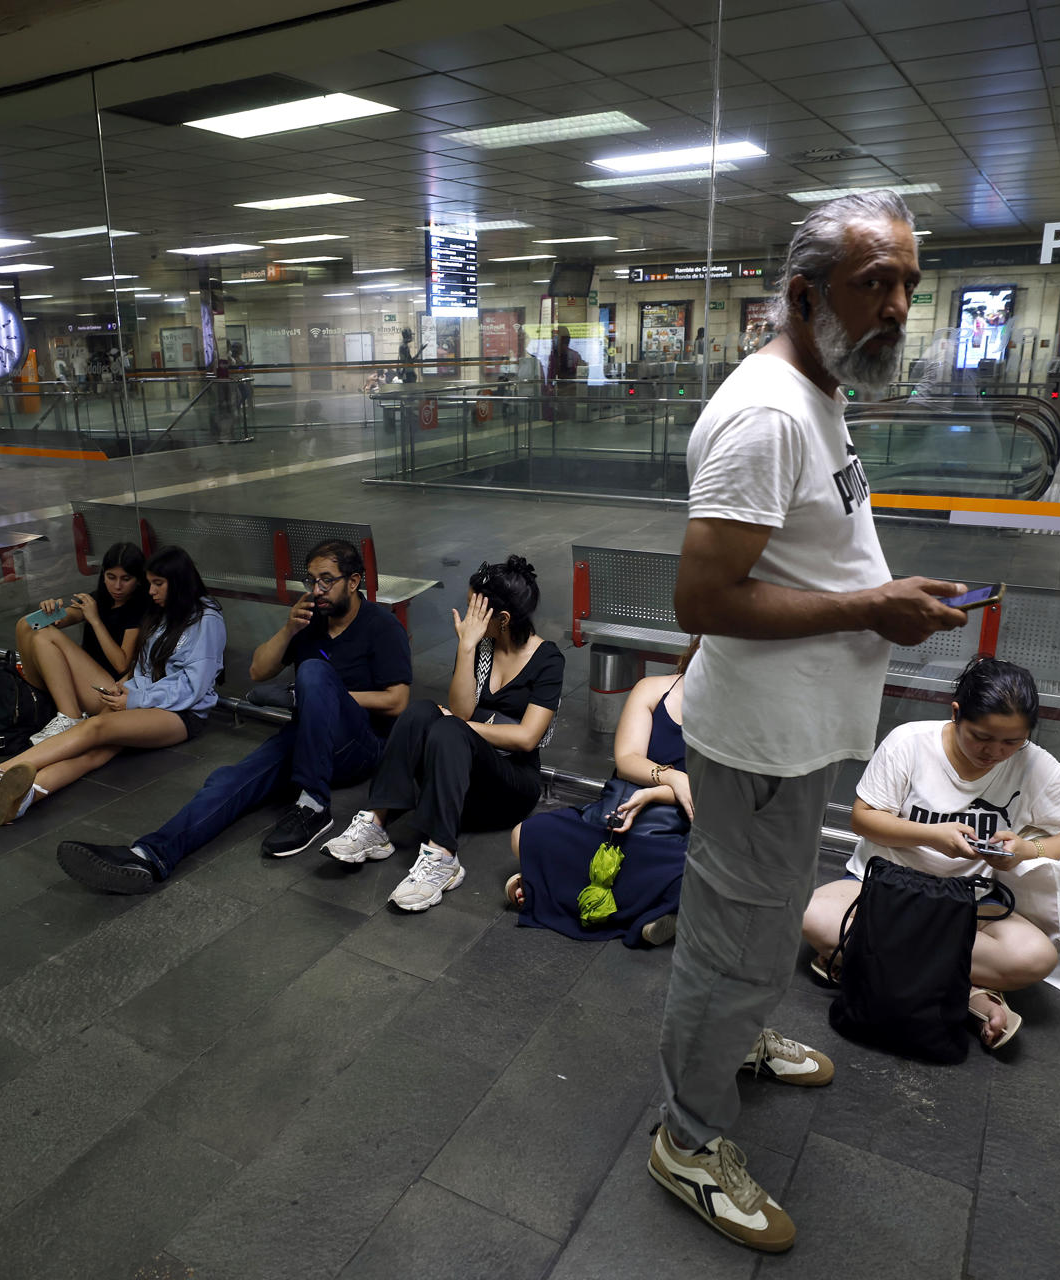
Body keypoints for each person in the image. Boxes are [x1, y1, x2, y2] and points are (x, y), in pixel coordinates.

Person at [646, 189, 972, 1256]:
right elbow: (703, 600)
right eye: (876, 281)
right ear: (804, 292)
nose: (899, 304)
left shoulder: (819, 391)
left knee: (766, 912)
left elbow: (801, 557)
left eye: (909, 284)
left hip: (793, 735)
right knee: (733, 932)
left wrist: (876, 591)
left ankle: (736, 1033)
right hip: (754, 745)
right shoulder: (769, 414)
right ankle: (689, 1137)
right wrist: (870, 607)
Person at [55, 538, 413, 893]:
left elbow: (397, 701)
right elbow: (258, 671)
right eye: (311, 580)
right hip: (307, 736)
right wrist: (289, 629)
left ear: (353, 582)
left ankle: (314, 804)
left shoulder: (380, 625)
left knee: (314, 674)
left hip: (359, 744)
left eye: (326, 580)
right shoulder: (310, 620)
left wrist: (326, 697)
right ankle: (148, 855)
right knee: (227, 782)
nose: (317, 589)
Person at [803, 658, 1060, 1050]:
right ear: (956, 714)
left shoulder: (1034, 763)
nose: (995, 752)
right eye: (981, 736)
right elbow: (864, 820)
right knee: (813, 917)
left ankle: (868, 963)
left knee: (1036, 958)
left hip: (969, 904)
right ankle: (970, 993)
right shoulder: (910, 742)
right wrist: (931, 836)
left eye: (1011, 741)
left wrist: (1025, 850)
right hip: (884, 892)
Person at [322, 555, 562, 913]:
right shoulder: (480, 645)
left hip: (509, 787)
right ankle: (375, 824)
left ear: (504, 619)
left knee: (448, 724)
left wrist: (460, 726)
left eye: (474, 610)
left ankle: (443, 858)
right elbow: (461, 709)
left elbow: (526, 737)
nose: (467, 619)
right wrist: (466, 647)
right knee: (421, 709)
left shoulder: (547, 660)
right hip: (459, 784)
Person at [0, 546, 224, 826]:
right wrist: (124, 686)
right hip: (139, 697)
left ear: (178, 582)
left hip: (181, 713)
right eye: (150, 583)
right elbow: (143, 665)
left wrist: (134, 699)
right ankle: (26, 796)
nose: (151, 591)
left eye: (158, 584)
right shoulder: (162, 611)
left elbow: (193, 688)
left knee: (95, 728)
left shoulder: (206, 620)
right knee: (95, 751)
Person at [507, 642, 698, 948]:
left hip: (670, 837)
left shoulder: (738, 716)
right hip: (613, 819)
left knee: (699, 876)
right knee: (524, 835)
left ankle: (547, 887)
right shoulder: (652, 690)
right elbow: (627, 761)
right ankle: (651, 910)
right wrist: (673, 778)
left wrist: (657, 795)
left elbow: (720, 795)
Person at [17, 540, 148, 744]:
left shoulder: (138, 609)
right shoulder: (98, 599)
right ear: (103, 575)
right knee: (27, 625)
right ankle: (39, 694)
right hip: (84, 682)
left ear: (138, 580)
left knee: (43, 636)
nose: (117, 586)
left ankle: (70, 717)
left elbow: (121, 664)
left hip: (109, 690)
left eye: (126, 579)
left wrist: (95, 620)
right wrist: (50, 610)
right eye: (111, 577)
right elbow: (47, 622)